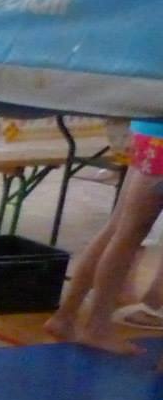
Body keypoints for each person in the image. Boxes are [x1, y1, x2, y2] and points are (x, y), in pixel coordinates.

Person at [46, 119, 163, 362]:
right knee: (128, 233)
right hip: (155, 135)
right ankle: (96, 326)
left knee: (119, 228)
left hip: (149, 131)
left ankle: (67, 316)